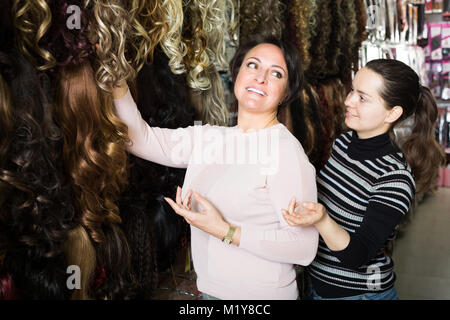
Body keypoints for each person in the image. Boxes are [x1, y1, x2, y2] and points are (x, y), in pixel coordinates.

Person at [112, 36, 319, 300]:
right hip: (210, 292)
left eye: (276, 73)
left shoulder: (285, 152)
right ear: (237, 72)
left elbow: (303, 247)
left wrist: (224, 230)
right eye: (253, 65)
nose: (261, 77)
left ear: (287, 91)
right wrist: (115, 74)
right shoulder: (210, 139)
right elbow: (140, 139)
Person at [283, 58, 445, 300]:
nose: (348, 101)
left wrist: (323, 220)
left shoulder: (394, 177)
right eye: (352, 91)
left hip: (360, 294)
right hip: (315, 285)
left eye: (362, 97)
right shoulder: (342, 143)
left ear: (393, 113)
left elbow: (358, 256)